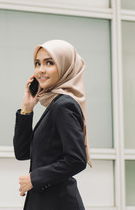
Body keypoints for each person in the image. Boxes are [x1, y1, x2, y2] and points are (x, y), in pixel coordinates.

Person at [13, 39, 92, 210]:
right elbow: (22, 152)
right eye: (37, 63)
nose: (41, 70)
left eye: (49, 63)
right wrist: (26, 109)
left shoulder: (64, 105)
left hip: (59, 203)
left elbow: (77, 159)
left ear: (65, 66)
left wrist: (35, 178)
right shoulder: (54, 105)